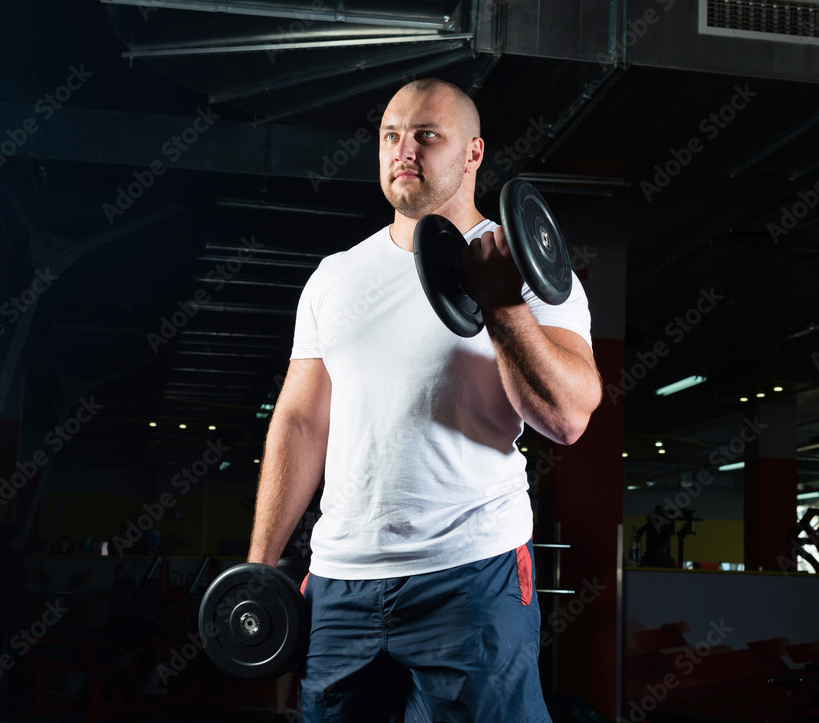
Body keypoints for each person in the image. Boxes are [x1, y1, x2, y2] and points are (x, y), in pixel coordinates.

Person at [247, 77, 603, 722]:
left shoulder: (525, 266)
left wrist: (500, 303)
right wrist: (260, 565)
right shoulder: (335, 276)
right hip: (340, 580)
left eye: (426, 135)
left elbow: (568, 416)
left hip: (471, 572)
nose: (402, 150)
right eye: (390, 136)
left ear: (473, 153)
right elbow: (300, 422)